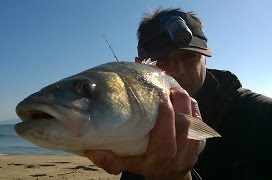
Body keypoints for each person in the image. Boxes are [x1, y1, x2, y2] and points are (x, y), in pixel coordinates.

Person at [86, 8, 272, 180]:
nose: (178, 71)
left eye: (189, 56)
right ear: (139, 66)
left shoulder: (261, 116)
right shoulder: (132, 130)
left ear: (205, 58)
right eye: (162, 60)